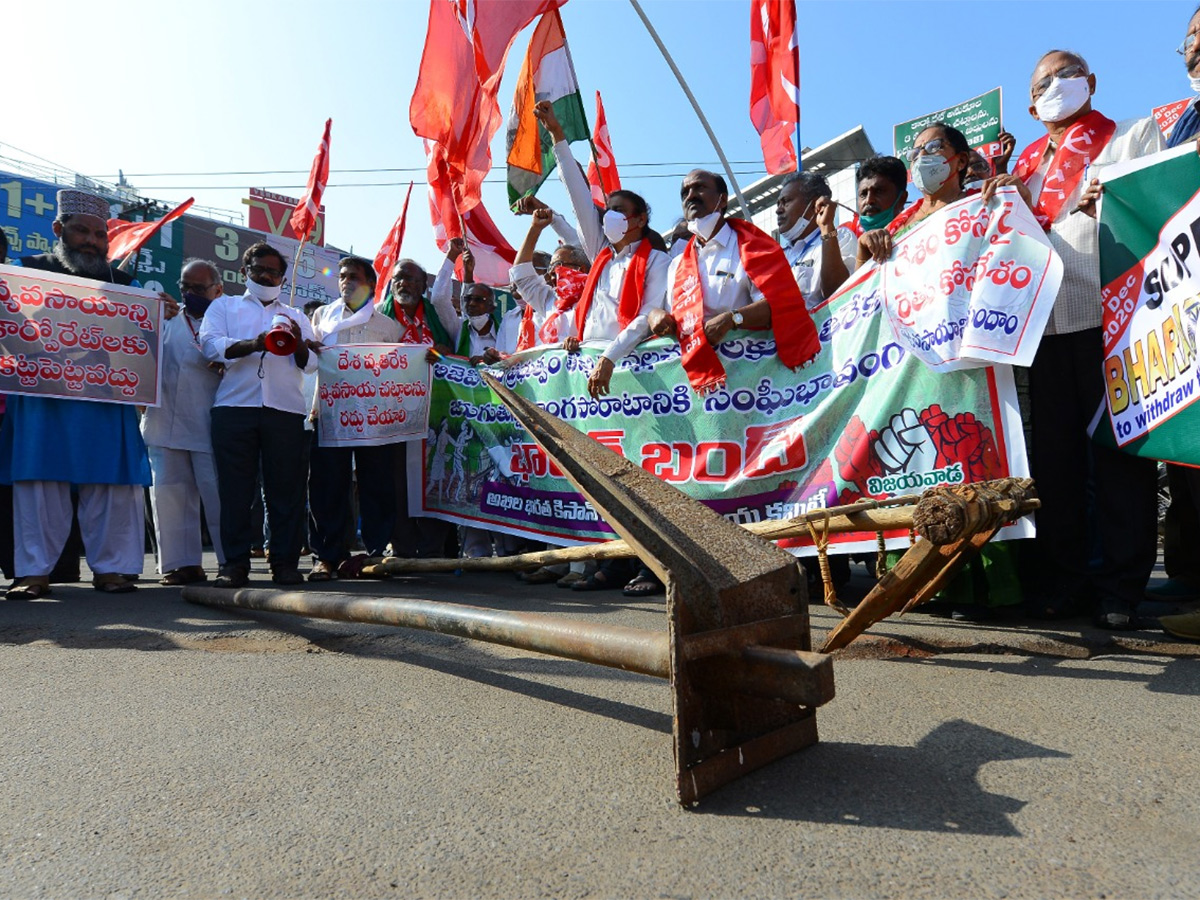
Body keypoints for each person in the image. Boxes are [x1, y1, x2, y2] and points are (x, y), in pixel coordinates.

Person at [1006, 50, 1163, 629]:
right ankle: (1066, 579)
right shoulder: (1021, 170)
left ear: (1090, 82)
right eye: (1043, 79)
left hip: (1111, 320)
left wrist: (1116, 198)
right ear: (1030, 105)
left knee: (1118, 459)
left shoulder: (1129, 136)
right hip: (1044, 329)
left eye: (1065, 74)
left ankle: (1121, 587)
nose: (1055, 85)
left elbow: (1152, 207)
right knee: (1057, 464)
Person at [0, 189, 176, 598]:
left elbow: (145, 349)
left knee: (110, 482)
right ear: (59, 229)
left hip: (104, 398)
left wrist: (160, 315)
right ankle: (33, 574)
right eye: (83, 232)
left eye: (101, 235)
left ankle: (112, 570)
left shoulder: (125, 285)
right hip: (42, 398)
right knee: (39, 482)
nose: (93, 242)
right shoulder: (25, 272)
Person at [199, 241, 318, 588]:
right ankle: (234, 565)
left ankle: (285, 564)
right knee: (235, 491)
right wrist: (257, 342)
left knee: (286, 491)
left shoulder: (297, 316)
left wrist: (295, 342)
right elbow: (210, 346)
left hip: (284, 412)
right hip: (234, 409)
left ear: (283, 277)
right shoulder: (224, 306)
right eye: (259, 269)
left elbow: (311, 365)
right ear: (244, 272)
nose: (267, 275)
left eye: (274, 271)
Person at [534, 101, 670, 402]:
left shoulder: (658, 261)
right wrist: (558, 136)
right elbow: (578, 197)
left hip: (629, 371)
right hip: (589, 370)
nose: (609, 216)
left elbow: (646, 315)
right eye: (607, 209)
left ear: (640, 220)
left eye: (618, 210)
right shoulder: (601, 257)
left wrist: (608, 357)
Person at [306, 256, 401, 581]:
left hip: (374, 419)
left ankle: (375, 555)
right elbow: (309, 363)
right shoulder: (322, 316)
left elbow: (399, 371)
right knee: (327, 487)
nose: (346, 281)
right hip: (331, 415)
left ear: (371, 285)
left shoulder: (388, 327)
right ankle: (327, 557)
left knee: (376, 486)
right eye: (342, 276)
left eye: (354, 277)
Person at [1152, 6, 1200, 607]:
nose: (1194, 46)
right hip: (1181, 310)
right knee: (1186, 452)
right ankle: (1190, 582)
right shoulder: (1180, 119)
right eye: (1190, 37)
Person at [142, 258, 226, 585]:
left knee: (217, 498)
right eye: (185, 287)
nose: (190, 293)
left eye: (198, 288)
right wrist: (152, 319)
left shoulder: (226, 323)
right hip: (163, 426)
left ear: (217, 290)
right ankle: (182, 565)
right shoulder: (165, 322)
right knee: (167, 497)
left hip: (208, 426)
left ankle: (229, 562)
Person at [377, 258, 455, 559]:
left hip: (435, 415)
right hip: (393, 415)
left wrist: (442, 353)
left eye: (410, 279)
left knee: (435, 481)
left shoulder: (439, 317)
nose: (403, 283)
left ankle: (433, 549)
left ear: (424, 286)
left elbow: (453, 349)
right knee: (397, 483)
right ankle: (402, 546)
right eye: (398, 278)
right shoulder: (379, 320)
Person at [774, 171, 855, 308]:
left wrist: (827, 228)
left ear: (815, 205)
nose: (778, 210)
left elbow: (838, 293)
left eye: (786, 201)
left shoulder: (841, 237)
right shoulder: (777, 255)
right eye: (778, 204)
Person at [848, 155, 909, 239]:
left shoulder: (917, 231)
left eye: (879, 191)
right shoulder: (848, 242)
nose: (869, 200)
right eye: (863, 194)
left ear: (902, 199)